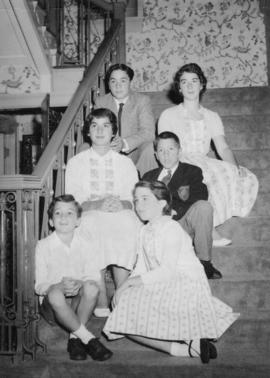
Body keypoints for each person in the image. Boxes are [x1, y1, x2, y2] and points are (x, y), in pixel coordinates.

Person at [103, 181, 239, 363]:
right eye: (136, 200)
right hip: (164, 282)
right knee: (121, 309)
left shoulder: (171, 227)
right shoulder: (145, 230)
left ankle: (190, 340)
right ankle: (188, 348)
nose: (139, 205)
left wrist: (127, 284)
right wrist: (123, 290)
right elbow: (142, 267)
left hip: (184, 285)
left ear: (162, 203)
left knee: (126, 308)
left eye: (145, 199)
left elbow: (168, 271)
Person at [158, 63, 259, 246]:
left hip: (202, 159)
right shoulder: (168, 114)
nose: (189, 86)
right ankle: (207, 230)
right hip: (178, 159)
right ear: (179, 87)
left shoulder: (212, 116)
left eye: (194, 81)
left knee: (237, 174)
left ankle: (206, 224)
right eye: (184, 82)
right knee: (198, 176)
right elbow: (165, 148)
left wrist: (234, 168)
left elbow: (223, 148)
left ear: (202, 85)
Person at [65, 108, 141, 316]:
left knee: (126, 224)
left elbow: (134, 197)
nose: (100, 131)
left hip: (119, 212)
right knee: (91, 226)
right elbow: (72, 200)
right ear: (88, 132)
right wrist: (96, 205)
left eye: (105, 125)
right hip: (89, 213)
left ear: (113, 132)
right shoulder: (75, 163)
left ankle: (122, 294)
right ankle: (101, 299)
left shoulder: (125, 163)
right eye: (94, 126)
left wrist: (123, 204)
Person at [35, 195, 112, 361]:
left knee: (91, 286)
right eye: (58, 213)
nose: (63, 217)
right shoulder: (43, 246)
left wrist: (80, 282)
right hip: (54, 308)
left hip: (79, 306)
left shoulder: (86, 244)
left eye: (69, 213)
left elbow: (92, 275)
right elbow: (39, 285)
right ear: (50, 221)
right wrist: (56, 286)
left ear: (78, 221)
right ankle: (88, 338)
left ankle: (74, 340)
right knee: (55, 293)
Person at [143, 131, 221, 279]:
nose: (166, 154)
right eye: (161, 150)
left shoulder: (192, 171)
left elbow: (200, 195)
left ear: (179, 150)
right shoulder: (148, 176)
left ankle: (205, 262)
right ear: (156, 155)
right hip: (158, 226)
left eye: (171, 149)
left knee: (204, 207)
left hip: (182, 221)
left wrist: (172, 209)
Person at [80, 63, 157, 176]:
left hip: (136, 155)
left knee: (150, 148)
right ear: (108, 84)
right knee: (84, 148)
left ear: (130, 82)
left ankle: (147, 188)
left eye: (123, 81)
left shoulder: (142, 101)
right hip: (107, 153)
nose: (118, 86)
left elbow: (149, 133)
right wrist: (108, 144)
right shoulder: (101, 102)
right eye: (113, 81)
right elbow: (94, 130)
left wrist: (124, 143)